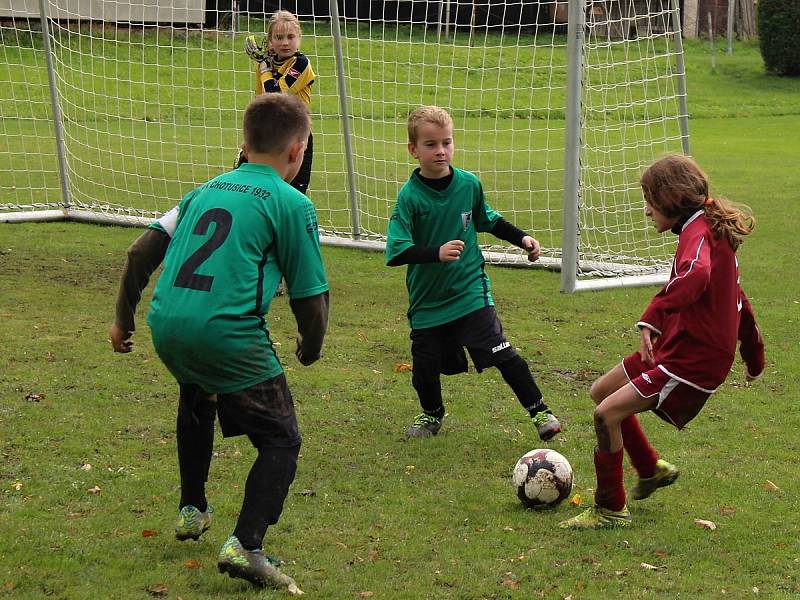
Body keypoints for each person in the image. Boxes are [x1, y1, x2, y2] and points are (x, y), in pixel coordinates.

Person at [110, 93, 329, 593]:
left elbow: (140, 250)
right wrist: (311, 346)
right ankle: (246, 545)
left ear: (244, 143)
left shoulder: (201, 192)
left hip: (169, 322)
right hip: (226, 334)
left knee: (198, 394)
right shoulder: (292, 202)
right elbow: (311, 296)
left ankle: (192, 508)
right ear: (298, 151)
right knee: (281, 439)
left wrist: (124, 317)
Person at [558, 154, 765, 530]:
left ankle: (610, 509)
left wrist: (652, 318)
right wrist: (754, 354)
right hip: (678, 345)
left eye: (650, 201)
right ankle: (650, 468)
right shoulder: (706, 228)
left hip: (692, 357)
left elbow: (695, 274)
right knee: (601, 391)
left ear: (671, 199)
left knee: (606, 415)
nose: (647, 211)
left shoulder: (699, 235)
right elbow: (738, 297)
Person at [385, 105, 561, 441]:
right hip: (428, 301)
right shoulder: (409, 198)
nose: (441, 151)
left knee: (501, 352)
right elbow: (396, 251)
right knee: (424, 369)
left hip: (470, 292)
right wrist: (435, 253)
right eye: (431, 144)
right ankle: (431, 415)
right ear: (413, 150)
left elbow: (489, 220)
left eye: (447, 143)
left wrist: (522, 238)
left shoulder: (468, 184)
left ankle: (541, 412)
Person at [238, 10, 315, 196]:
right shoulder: (265, 64)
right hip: (266, 130)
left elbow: (275, 94)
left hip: (295, 132)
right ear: (270, 40)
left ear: (299, 38)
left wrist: (265, 68)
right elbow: (262, 98)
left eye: (290, 36)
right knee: (250, 184)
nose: (285, 42)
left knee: (290, 192)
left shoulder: (301, 63)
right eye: (279, 37)